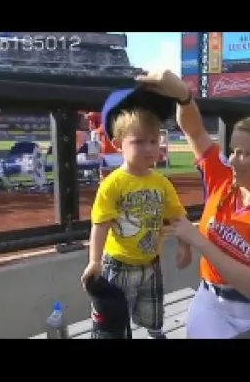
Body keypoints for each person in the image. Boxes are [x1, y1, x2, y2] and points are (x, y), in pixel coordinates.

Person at [137, 70, 250, 339]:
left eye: (244, 153)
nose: (233, 160)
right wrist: (184, 96)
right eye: (233, 150)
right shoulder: (223, 178)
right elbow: (194, 130)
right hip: (212, 303)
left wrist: (197, 239)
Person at [80, 87, 192, 339]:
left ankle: (154, 333)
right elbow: (100, 225)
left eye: (153, 140)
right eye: (138, 141)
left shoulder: (161, 183)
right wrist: (95, 261)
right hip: (118, 265)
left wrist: (186, 246)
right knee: (113, 321)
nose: (149, 148)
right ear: (118, 144)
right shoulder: (113, 183)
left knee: (152, 315)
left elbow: (177, 216)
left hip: (151, 264)